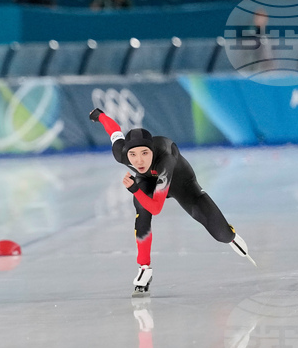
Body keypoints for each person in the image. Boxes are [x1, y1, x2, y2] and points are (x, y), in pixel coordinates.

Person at [88, 107, 255, 296]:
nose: (139, 161)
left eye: (145, 153)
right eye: (133, 155)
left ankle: (229, 235)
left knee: (221, 234)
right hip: (148, 182)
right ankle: (144, 268)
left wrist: (134, 188)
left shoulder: (165, 159)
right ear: (127, 153)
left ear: (152, 151)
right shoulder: (121, 153)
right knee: (141, 212)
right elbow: (114, 130)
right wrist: (100, 115)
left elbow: (156, 208)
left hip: (181, 183)